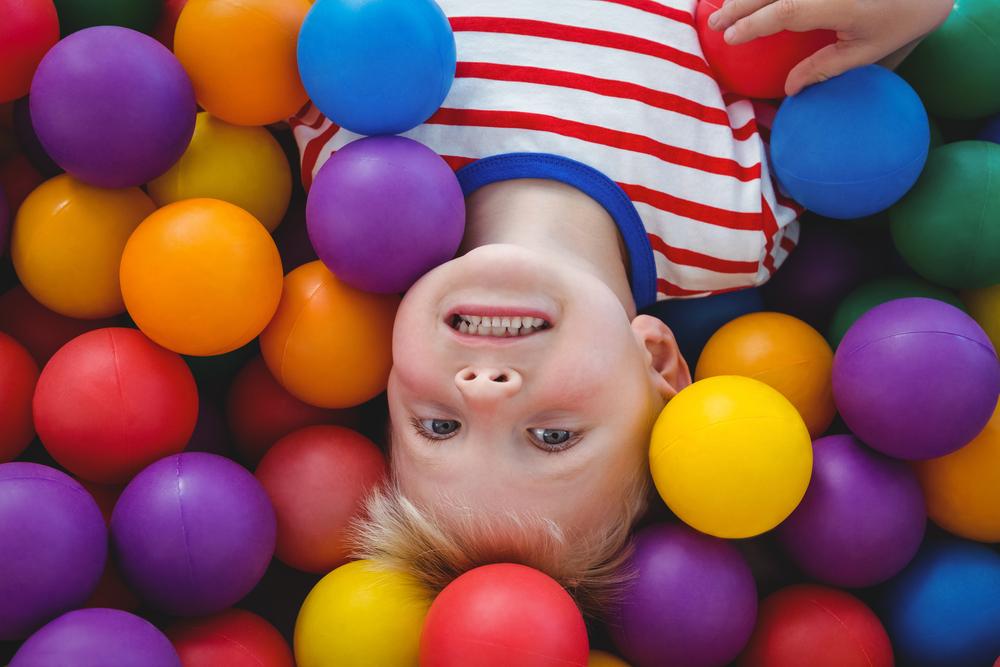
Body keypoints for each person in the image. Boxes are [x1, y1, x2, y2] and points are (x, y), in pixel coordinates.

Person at [291, 0, 953, 616]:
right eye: (552, 436)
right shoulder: (733, 224)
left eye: (438, 426)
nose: (484, 390)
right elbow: (831, 57)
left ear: (391, 379)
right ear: (658, 361)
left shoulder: (354, 167)